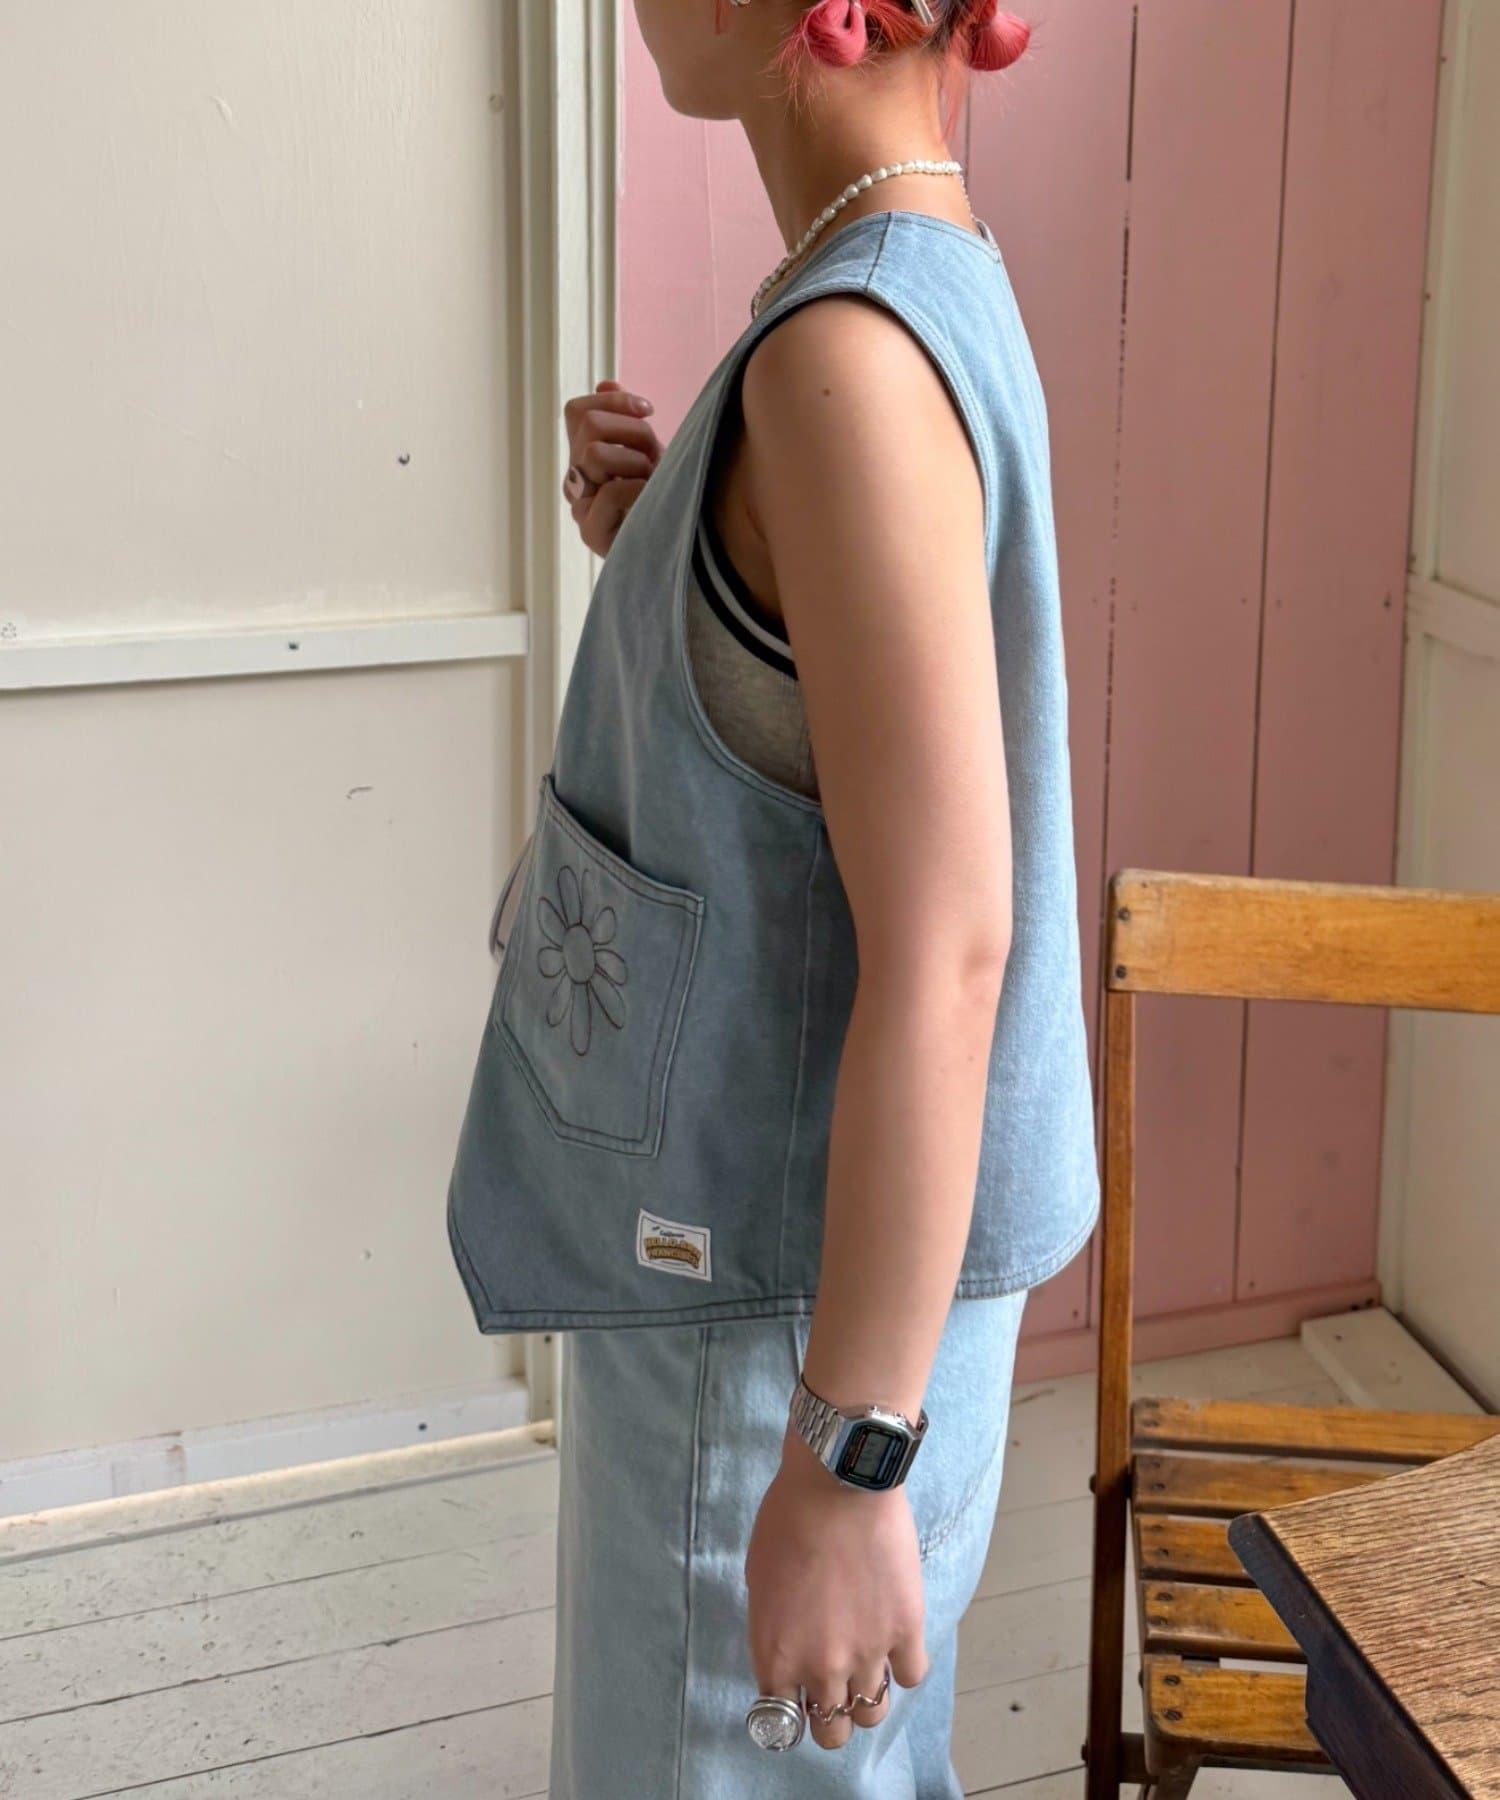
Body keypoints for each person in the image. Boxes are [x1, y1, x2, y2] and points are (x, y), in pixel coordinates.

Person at [446, 2, 1099, 1791]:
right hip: (828, 1285)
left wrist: (846, 1458)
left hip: (782, 1315)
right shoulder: (916, 277)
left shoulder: (845, 362)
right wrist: (676, 541)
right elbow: (826, 730)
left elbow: (948, 949)